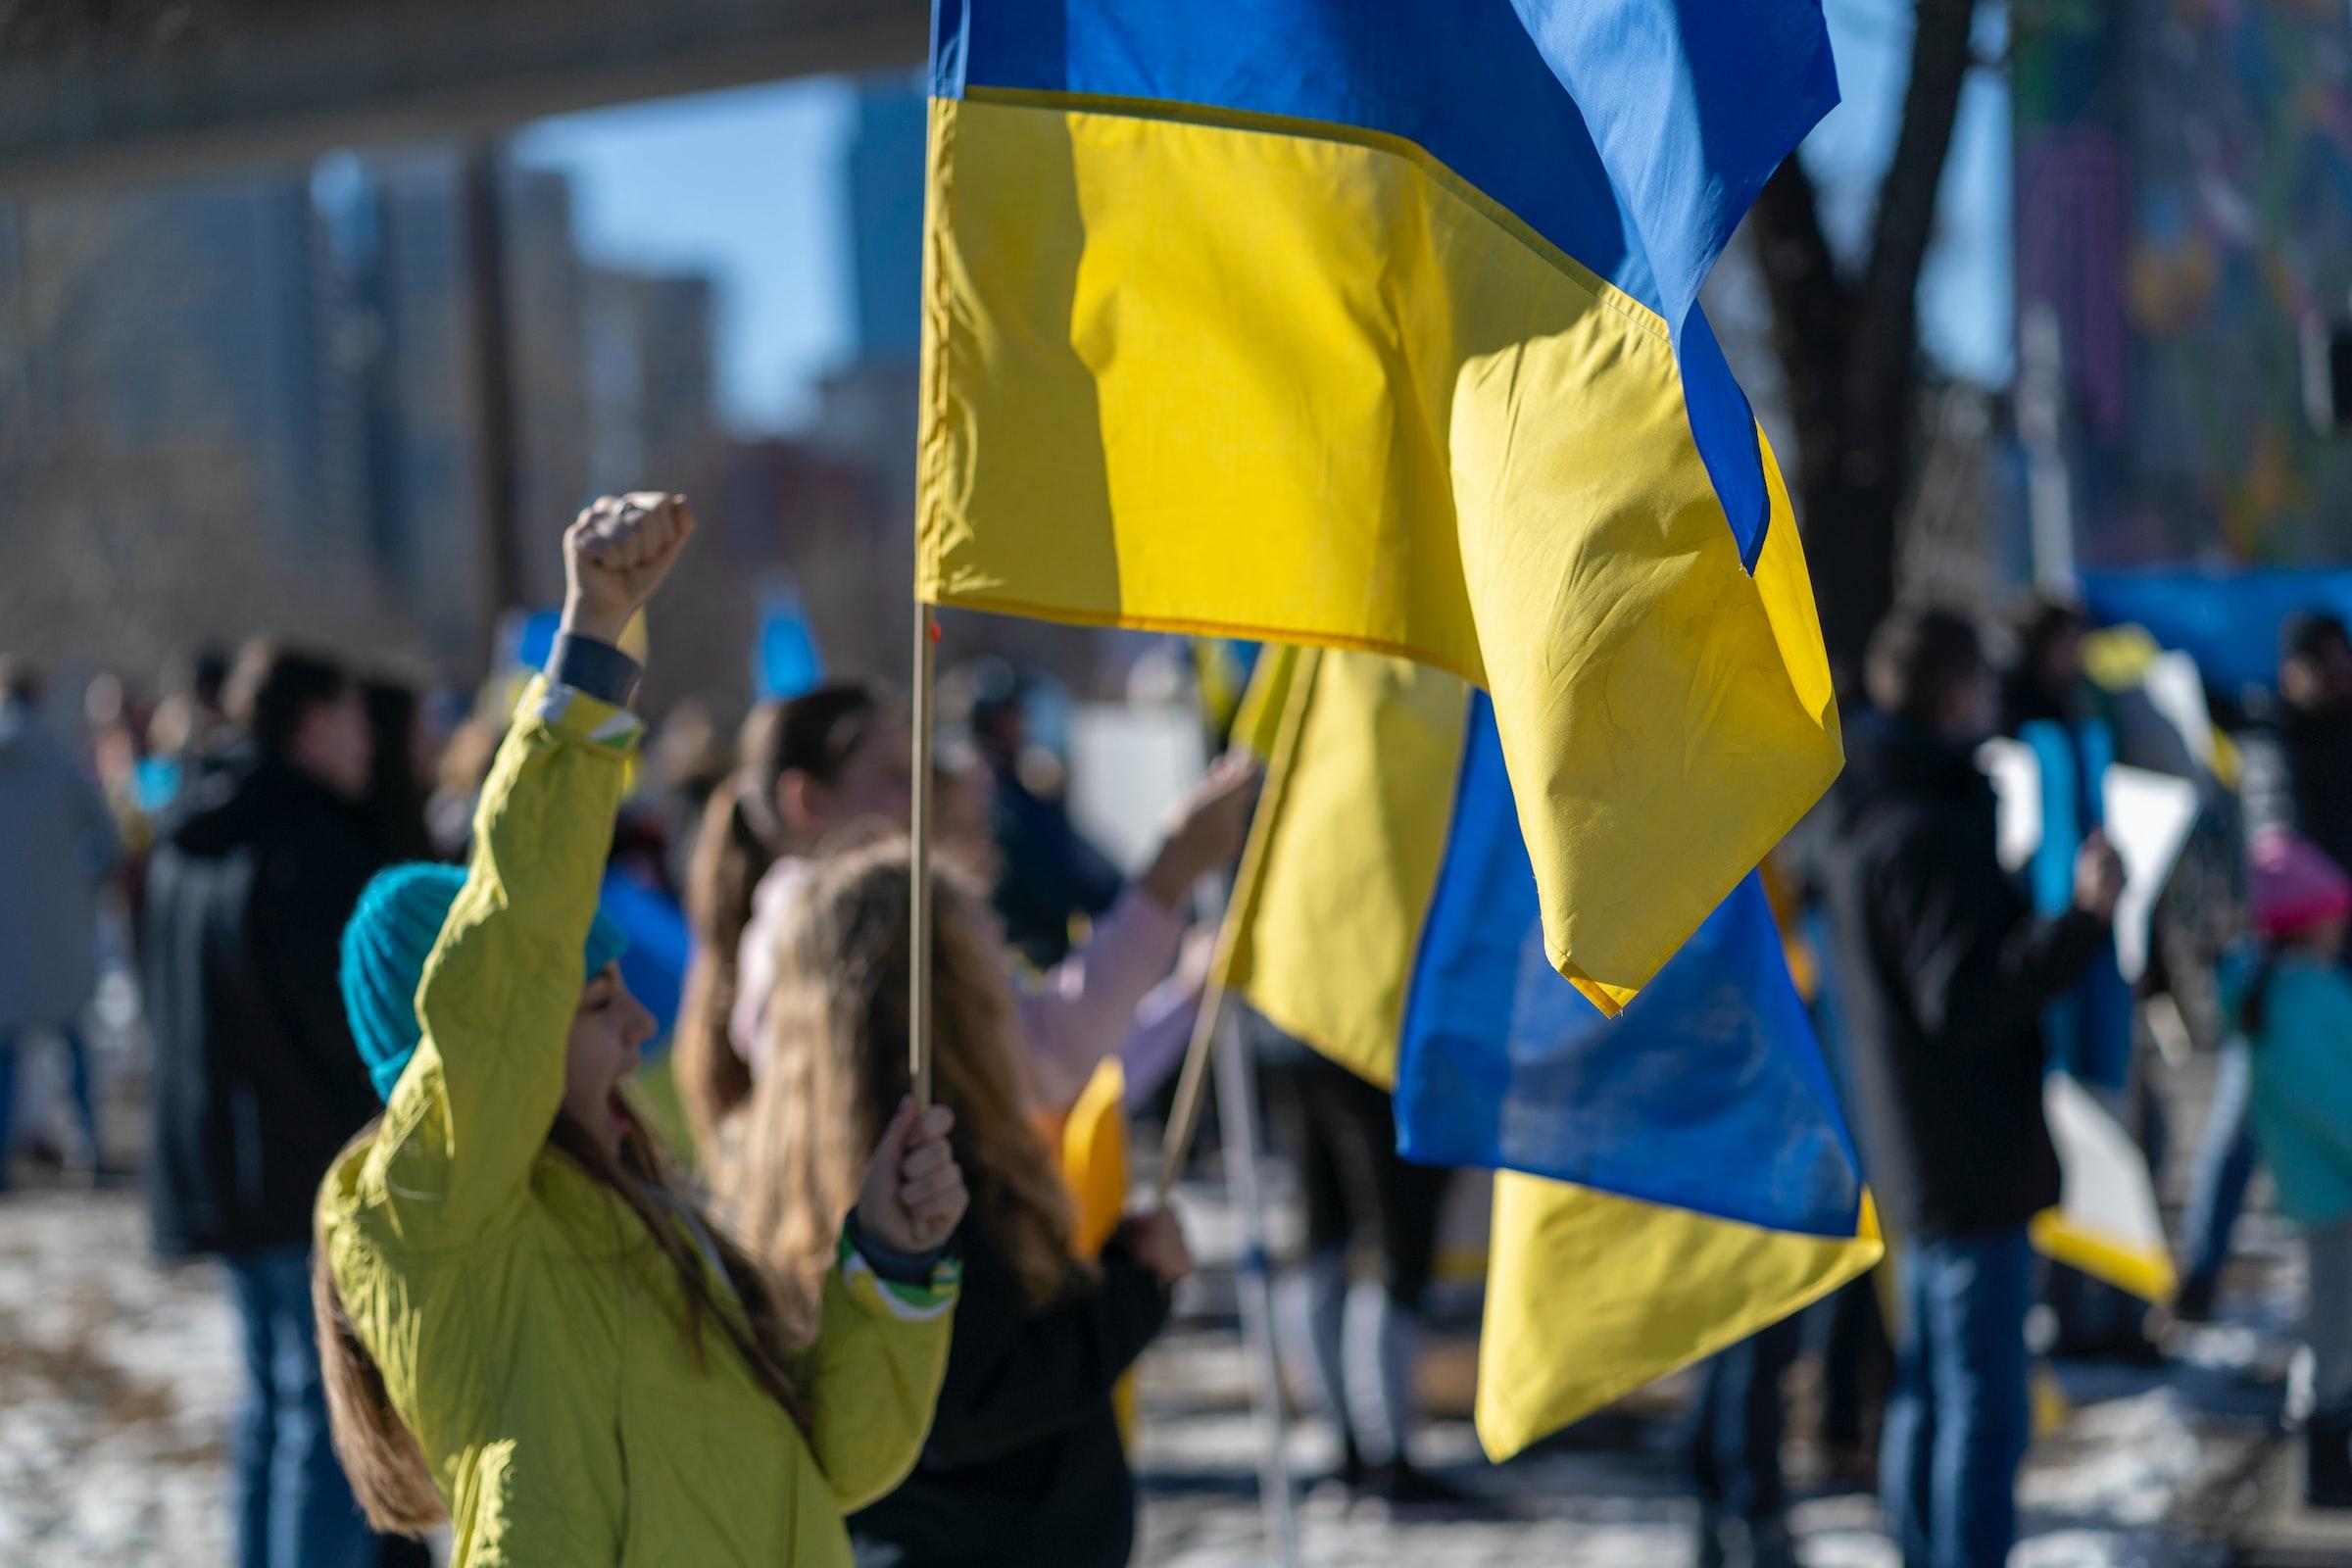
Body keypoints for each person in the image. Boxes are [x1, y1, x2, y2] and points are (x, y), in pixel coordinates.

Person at [313, 493, 965, 1567]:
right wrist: (588, 654)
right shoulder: (428, 1212)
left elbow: (832, 1461)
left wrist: (891, 1267)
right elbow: (516, 948)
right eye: (599, 997)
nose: (647, 1020)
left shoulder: (647, 1207)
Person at [718, 835, 1190, 1568]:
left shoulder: (803, 1161)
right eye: (989, 960)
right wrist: (1135, 1285)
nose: (1011, 984)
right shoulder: (931, 1174)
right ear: (947, 997)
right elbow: (973, 1403)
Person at [1819, 608, 2123, 1568]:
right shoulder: (1926, 828)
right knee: (1983, 1415)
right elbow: (1966, 996)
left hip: (1917, 1153)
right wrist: (2081, 920)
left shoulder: (1873, 812)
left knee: (1929, 1391)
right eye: (1982, 689)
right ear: (1956, 696)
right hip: (1964, 1159)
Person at [141, 639, 388, 1568]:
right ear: (314, 721)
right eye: (358, 715)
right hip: (297, 1169)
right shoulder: (305, 844)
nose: (370, 738)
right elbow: (341, 1026)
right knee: (328, 1421)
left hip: (218, 1163)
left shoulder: (191, 830)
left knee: (274, 1408)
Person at [2182, 610, 2352, 1319]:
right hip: (2283, 954)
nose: (2338, 679)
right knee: (2240, 1116)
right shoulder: (2268, 741)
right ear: (2294, 671)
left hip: (2333, 942)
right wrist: (2302, 915)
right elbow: (2270, 852)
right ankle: (2199, 1270)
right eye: (2325, 666)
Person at [674, 682, 908, 1152]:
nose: (918, 798)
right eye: (893, 778)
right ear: (808, 800)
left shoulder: (797, 918)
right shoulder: (806, 925)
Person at [1259, 1017, 1466, 1509]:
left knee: (1322, 1240)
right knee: (1393, 1247)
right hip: (1375, 1032)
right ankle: (1382, 1456)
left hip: (1293, 1025)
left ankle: (1350, 1446)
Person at [2234, 830, 2352, 1507]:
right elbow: (2333, 1103)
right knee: (2330, 1326)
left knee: (2329, 1322)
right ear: (2308, 922)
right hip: (2331, 1188)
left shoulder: (2281, 992)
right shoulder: (2300, 999)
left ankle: (2326, 1445)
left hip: (2319, 1185)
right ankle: (2324, 1465)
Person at [0, 657, 119, 1185]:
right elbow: (107, 837)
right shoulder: (58, 757)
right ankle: (90, 1151)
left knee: (4, 1056)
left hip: (5, 935)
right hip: (61, 929)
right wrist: (80, 881)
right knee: (74, 1046)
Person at [964, 660, 1125, 968]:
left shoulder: (1020, 788)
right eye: (1010, 717)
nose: (1022, 728)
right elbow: (1057, 875)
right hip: (1032, 958)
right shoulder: (996, 800)